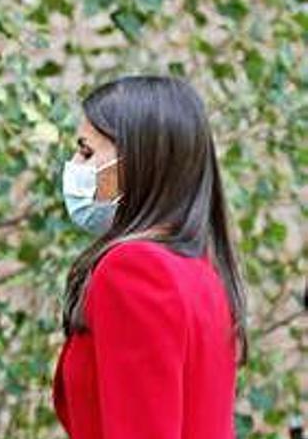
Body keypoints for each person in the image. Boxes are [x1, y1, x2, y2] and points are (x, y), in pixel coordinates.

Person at [53, 76, 247, 439]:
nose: (74, 165)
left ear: (136, 163)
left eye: (87, 152)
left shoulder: (133, 269)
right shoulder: (202, 269)